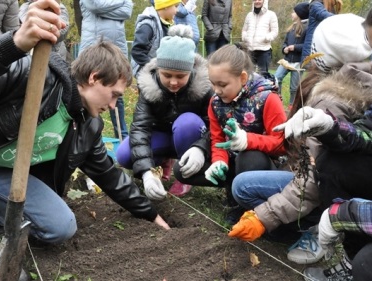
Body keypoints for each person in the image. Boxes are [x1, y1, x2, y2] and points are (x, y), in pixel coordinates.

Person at [0, 1, 170, 280]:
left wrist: (151, 215)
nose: (114, 105)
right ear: (94, 78)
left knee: (61, 227)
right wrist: (12, 45)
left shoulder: (88, 126)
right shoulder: (30, 76)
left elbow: (109, 176)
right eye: (114, 94)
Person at [229, 9, 372, 268]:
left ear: (324, 54)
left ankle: (311, 227)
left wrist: (263, 217)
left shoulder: (330, 100)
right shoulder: (349, 85)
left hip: (316, 190)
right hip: (320, 180)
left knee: (243, 187)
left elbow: (314, 179)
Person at [173, 43, 286, 224]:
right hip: (233, 162)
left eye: (222, 84)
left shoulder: (267, 99)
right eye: (213, 83)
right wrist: (219, 162)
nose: (216, 90)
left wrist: (247, 141)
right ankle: (232, 191)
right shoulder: (216, 103)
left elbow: (282, 144)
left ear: (242, 78)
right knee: (182, 170)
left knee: (249, 157)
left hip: (261, 165)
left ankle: (244, 205)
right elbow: (217, 138)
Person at [116, 24, 214, 198]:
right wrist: (146, 171)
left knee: (187, 123)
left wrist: (200, 148)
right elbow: (140, 128)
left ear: (190, 72)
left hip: (190, 136)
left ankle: (185, 175)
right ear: (158, 70)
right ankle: (162, 162)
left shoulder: (204, 86)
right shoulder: (149, 86)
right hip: (161, 134)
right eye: (167, 75)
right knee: (124, 155)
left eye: (180, 76)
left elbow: (215, 124)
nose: (173, 82)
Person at [78, 0, 133, 140]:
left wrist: (105, 9)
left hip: (118, 50)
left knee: (115, 97)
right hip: (94, 50)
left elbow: (128, 11)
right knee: (87, 96)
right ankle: (85, 135)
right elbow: (95, 6)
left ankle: (122, 136)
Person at [130, 0, 181, 77]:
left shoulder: (169, 24)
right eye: (176, 6)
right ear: (166, 6)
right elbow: (137, 52)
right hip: (146, 73)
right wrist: (156, 67)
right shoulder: (148, 26)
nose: (178, 10)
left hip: (160, 71)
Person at [275, 2, 308, 109]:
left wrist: (295, 47)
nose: (291, 14)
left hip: (298, 62)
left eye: (294, 12)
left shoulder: (308, 28)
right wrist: (284, 48)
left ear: (300, 14)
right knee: (277, 78)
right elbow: (285, 42)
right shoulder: (291, 28)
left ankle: (292, 104)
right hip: (287, 60)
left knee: (294, 87)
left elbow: (308, 45)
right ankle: (278, 98)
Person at [241, 0, 278, 76]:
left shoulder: (271, 14)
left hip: (264, 50)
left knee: (263, 76)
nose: (257, 1)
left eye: (259, 0)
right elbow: (244, 30)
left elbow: (275, 32)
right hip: (250, 49)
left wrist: (266, 38)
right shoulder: (249, 15)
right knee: (248, 74)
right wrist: (245, 37)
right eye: (255, 0)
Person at [300, 0, 341, 66]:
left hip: (321, 48)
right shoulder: (316, 5)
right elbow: (327, 16)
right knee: (316, 74)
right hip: (313, 50)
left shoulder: (328, 8)